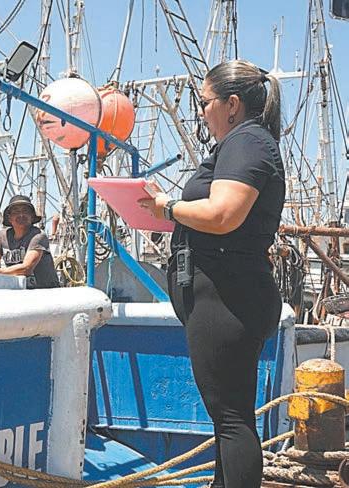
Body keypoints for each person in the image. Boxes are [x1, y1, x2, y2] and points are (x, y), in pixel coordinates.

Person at [139, 60, 284, 488]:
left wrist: (168, 207)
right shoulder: (243, 143)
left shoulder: (246, 142)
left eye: (204, 103)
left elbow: (223, 214)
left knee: (232, 419)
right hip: (225, 294)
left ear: (232, 104)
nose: (201, 112)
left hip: (227, 296)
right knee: (229, 419)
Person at [0, 195, 59, 288]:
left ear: (32, 217)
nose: (21, 215)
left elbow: (26, 268)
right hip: (19, 289)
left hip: (45, 290)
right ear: (10, 218)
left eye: (25, 211)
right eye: (16, 212)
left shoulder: (38, 236)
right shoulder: (2, 236)